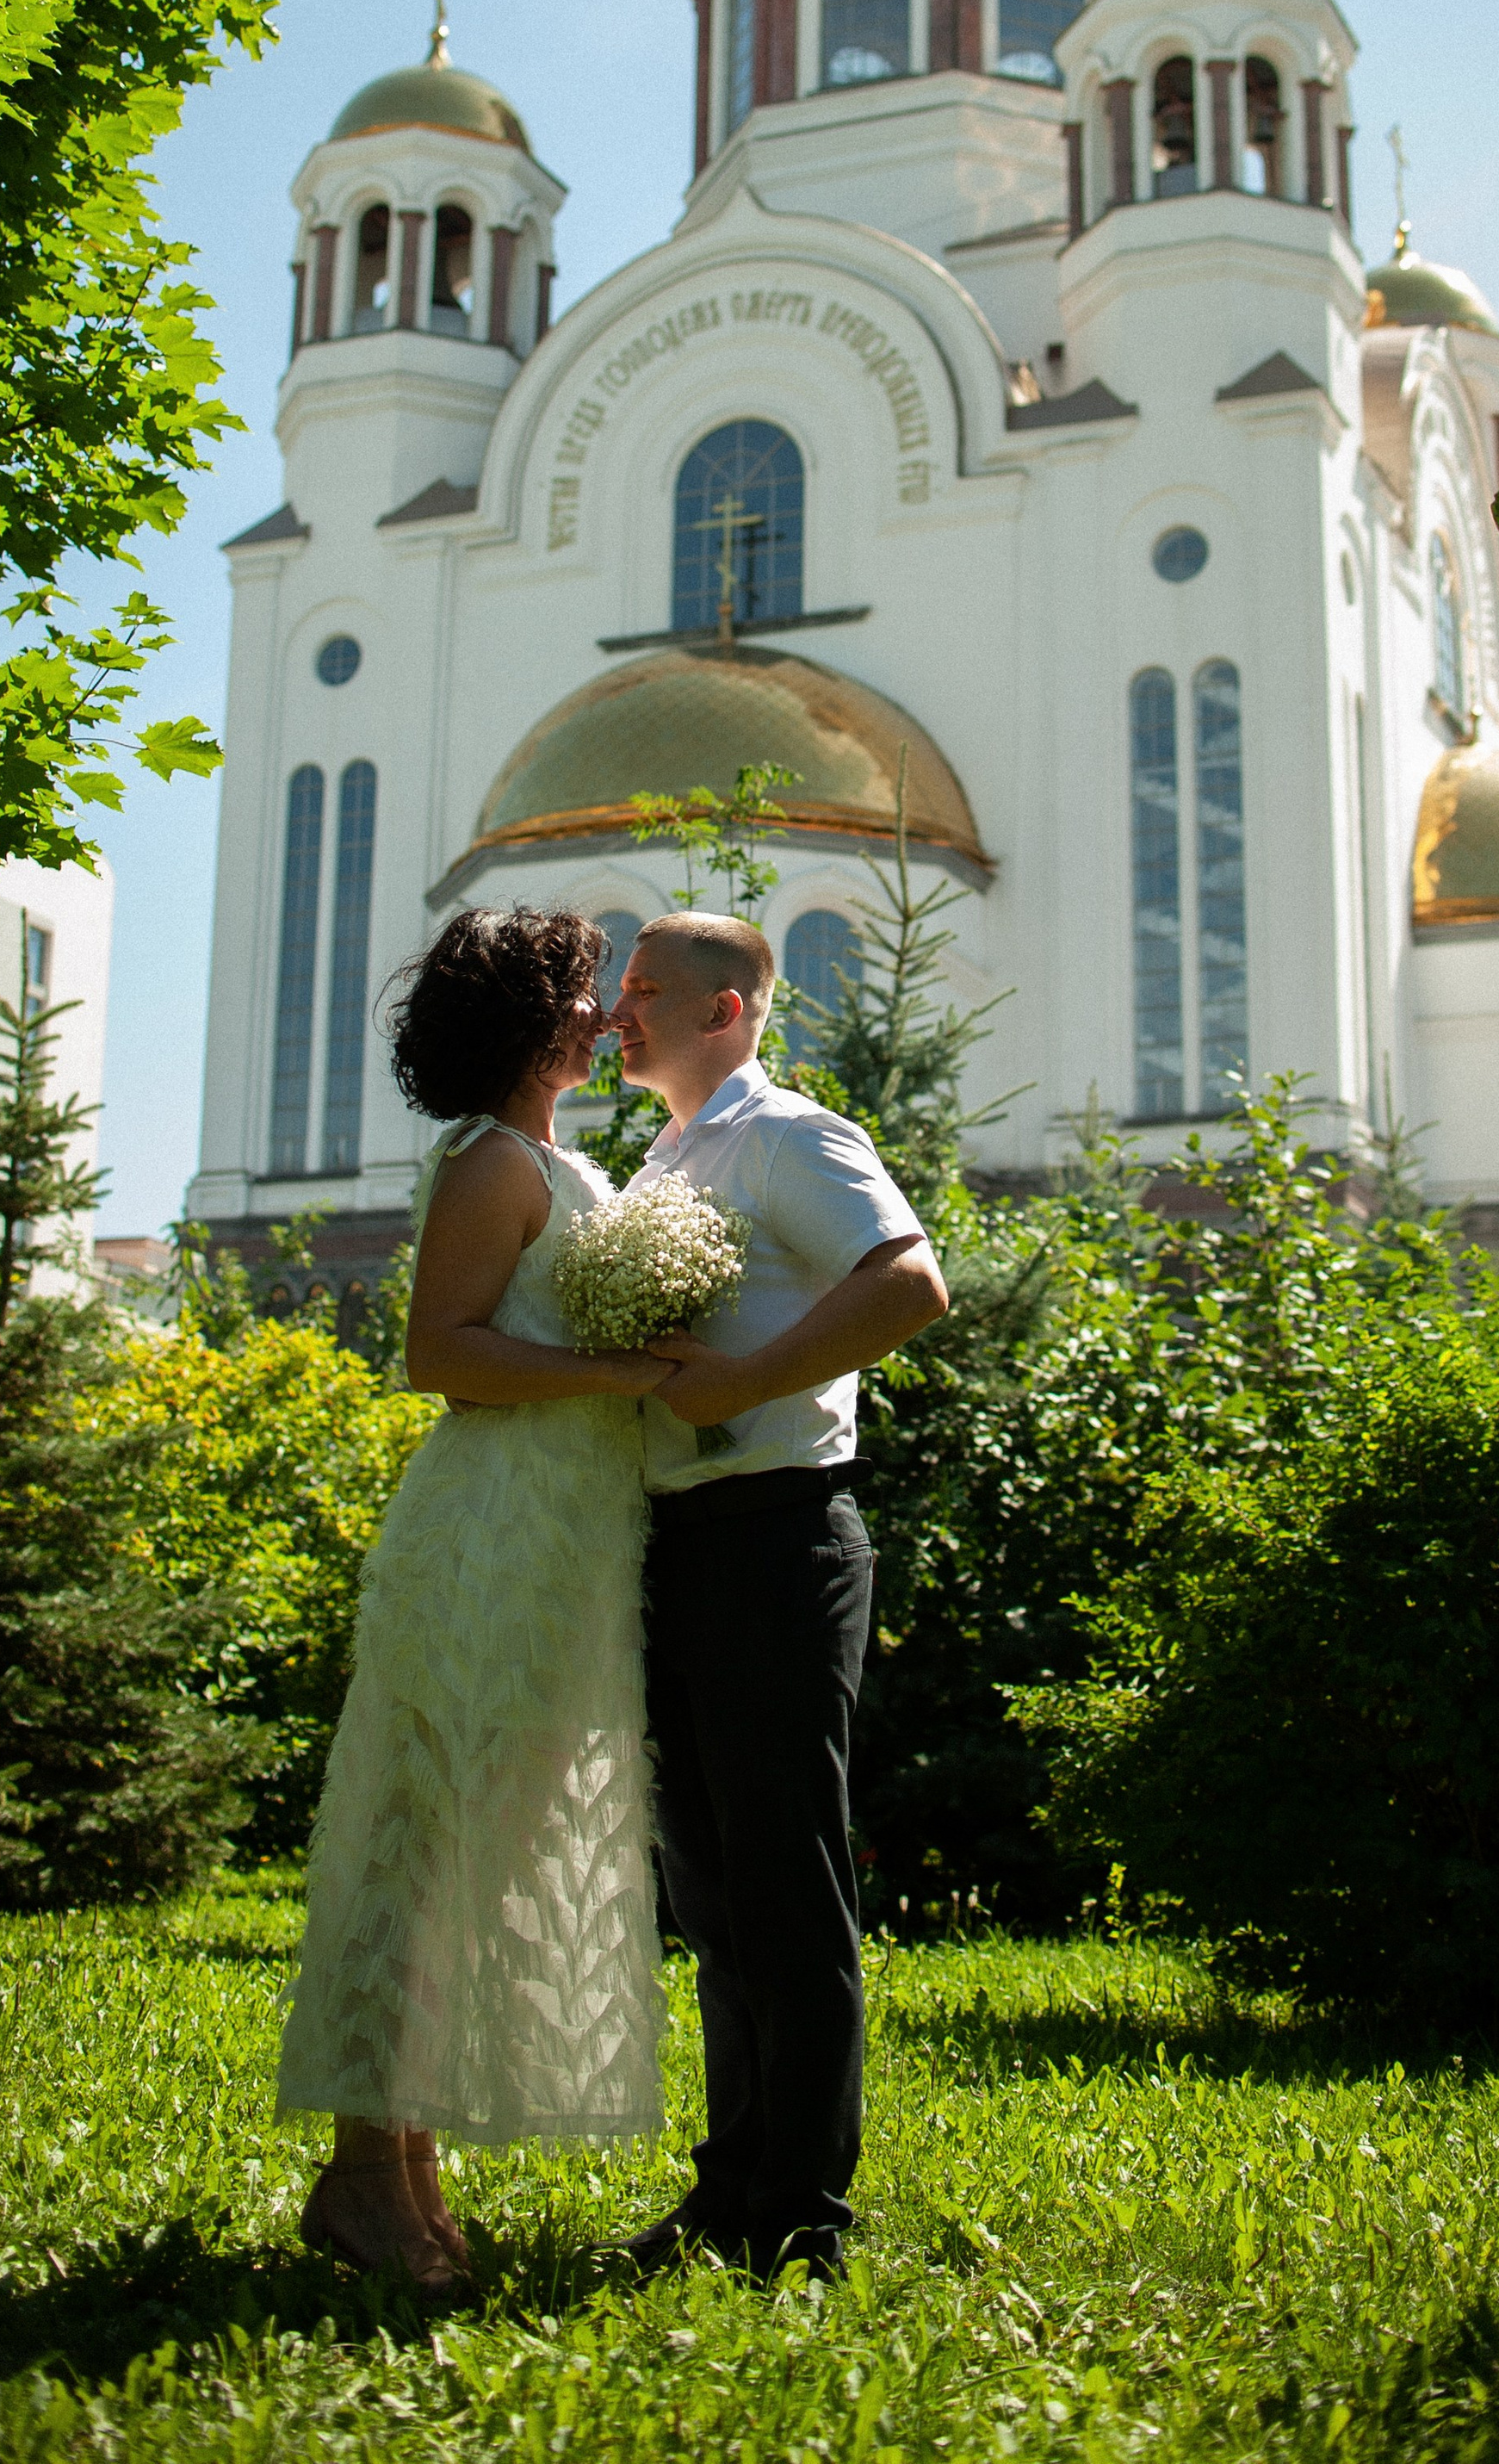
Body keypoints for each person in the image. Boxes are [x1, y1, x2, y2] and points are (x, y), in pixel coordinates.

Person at [276, 905, 672, 2290]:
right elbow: (441, 1356)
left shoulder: (566, 1160)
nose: (605, 1014)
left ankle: (408, 2161)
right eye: (582, 994)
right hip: (493, 1530)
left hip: (568, 1533)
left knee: (484, 1852)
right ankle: (360, 2172)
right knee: (429, 1847)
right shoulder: (494, 1162)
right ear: (528, 1021)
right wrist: (615, 1376)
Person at [608, 910, 950, 2281]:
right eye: (616, 989)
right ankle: (730, 2187)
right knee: (709, 1889)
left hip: (774, 1537)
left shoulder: (789, 1136)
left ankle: (802, 2213)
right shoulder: (664, 1155)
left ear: (727, 1012)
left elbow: (911, 1284)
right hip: (676, 1544)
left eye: (644, 992)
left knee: (785, 1888)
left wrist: (742, 1387)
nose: (613, 1012)